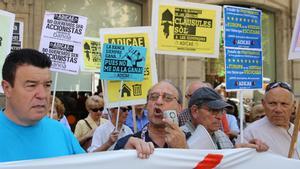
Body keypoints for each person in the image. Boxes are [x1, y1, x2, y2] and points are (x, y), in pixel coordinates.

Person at [0, 49, 84, 162]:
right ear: (7, 88)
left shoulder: (61, 131)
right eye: (31, 85)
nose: (43, 95)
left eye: (47, 85)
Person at [182, 87, 268, 151]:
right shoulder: (179, 137)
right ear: (195, 111)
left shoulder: (222, 136)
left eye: (221, 111)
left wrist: (241, 151)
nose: (219, 117)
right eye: (213, 111)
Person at [114, 80, 187, 151]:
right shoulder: (129, 144)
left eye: (167, 98)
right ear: (147, 105)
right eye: (153, 97)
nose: (159, 102)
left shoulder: (192, 139)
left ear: (179, 108)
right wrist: (125, 151)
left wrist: (183, 149)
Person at [237, 82, 300, 159]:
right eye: (272, 103)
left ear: (293, 106)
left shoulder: (296, 131)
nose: (278, 109)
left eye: (284, 104)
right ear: (263, 104)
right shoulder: (250, 133)